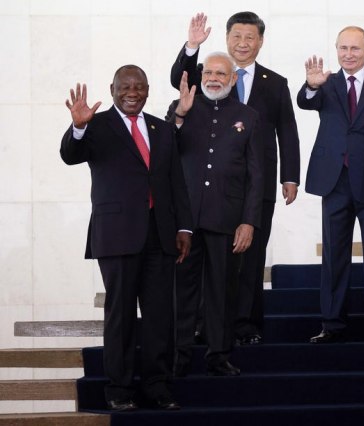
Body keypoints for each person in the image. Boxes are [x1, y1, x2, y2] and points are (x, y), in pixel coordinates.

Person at [60, 65, 192, 410]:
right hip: (116, 235)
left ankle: (157, 387)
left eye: (139, 87)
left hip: (160, 234)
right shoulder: (96, 125)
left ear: (147, 90)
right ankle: (119, 389)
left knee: (160, 315)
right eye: (125, 87)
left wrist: (184, 228)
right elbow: (70, 156)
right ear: (113, 89)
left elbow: (175, 181)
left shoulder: (161, 128)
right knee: (120, 314)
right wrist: (78, 126)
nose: (132, 93)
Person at [170, 12, 301, 347]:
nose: (243, 43)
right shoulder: (207, 74)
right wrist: (192, 46)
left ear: (260, 41)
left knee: (251, 257)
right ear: (227, 38)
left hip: (257, 184)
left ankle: (246, 324)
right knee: (208, 261)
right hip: (212, 189)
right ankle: (204, 325)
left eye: (250, 37)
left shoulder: (275, 83)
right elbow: (177, 80)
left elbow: (287, 130)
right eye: (237, 36)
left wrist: (290, 176)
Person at [298, 26, 364, 344]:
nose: (349, 54)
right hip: (335, 181)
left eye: (355, 48)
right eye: (343, 48)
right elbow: (305, 102)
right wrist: (311, 86)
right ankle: (332, 324)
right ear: (336, 50)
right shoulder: (325, 83)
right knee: (334, 255)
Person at [168, 52, 263, 377]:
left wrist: (248, 221)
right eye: (208, 72)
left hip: (227, 218)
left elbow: (256, 175)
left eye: (221, 74)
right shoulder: (182, 107)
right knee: (182, 290)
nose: (213, 78)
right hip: (185, 221)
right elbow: (164, 151)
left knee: (222, 290)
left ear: (233, 79)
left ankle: (219, 354)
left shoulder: (248, 116)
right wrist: (179, 115)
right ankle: (178, 355)